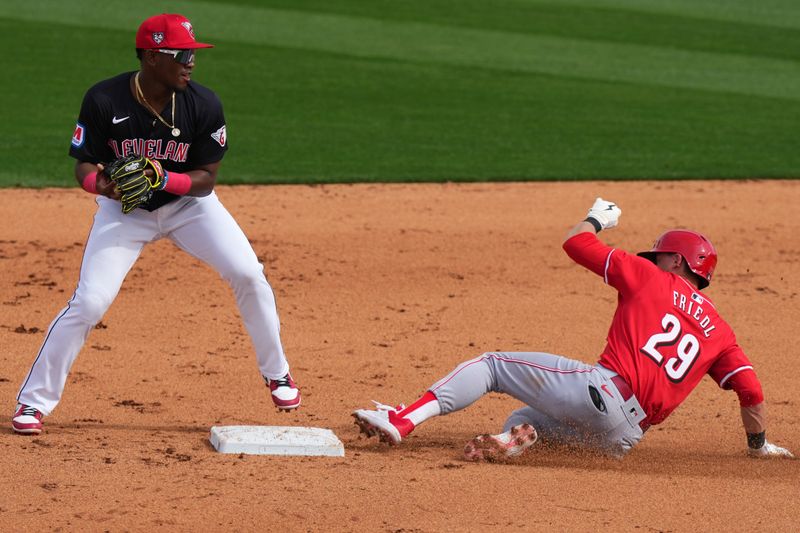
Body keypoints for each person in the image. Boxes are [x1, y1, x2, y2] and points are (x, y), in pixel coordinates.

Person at [12, 13, 300, 435]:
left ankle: (277, 373)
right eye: (181, 54)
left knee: (248, 274)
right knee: (90, 301)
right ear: (151, 57)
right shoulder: (104, 99)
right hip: (125, 212)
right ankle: (33, 403)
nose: (190, 62)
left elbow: (206, 180)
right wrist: (102, 185)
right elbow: (84, 165)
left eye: (193, 54)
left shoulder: (205, 103)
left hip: (189, 207)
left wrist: (165, 178)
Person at [353, 198, 794, 461]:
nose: (652, 258)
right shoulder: (721, 331)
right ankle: (516, 439)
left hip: (600, 393)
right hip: (621, 439)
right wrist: (757, 445)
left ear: (676, 262)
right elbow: (751, 392)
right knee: (525, 418)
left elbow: (576, 243)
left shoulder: (650, 276)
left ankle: (402, 421)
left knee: (491, 366)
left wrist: (597, 219)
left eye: (658, 254)